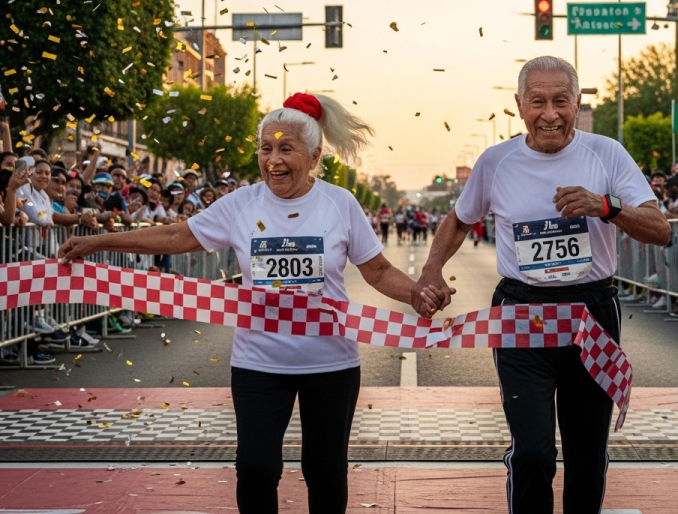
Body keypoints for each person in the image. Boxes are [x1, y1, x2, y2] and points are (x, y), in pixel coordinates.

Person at [59, 91, 443, 514]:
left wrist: (416, 293)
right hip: (258, 362)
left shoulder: (340, 204)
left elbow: (378, 271)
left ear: (314, 156)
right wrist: (98, 242)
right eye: (265, 149)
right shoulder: (242, 204)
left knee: (325, 470)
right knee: (256, 468)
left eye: (286, 149)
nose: (273, 160)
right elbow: (176, 236)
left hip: (330, 363)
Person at [411, 56, 670, 514]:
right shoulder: (497, 161)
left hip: (590, 315)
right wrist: (432, 269)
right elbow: (460, 219)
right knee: (532, 452)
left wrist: (605, 206)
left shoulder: (606, 153)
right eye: (538, 102)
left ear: (578, 102)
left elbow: (660, 229)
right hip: (521, 314)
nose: (550, 114)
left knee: (586, 455)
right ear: (519, 105)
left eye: (560, 101)